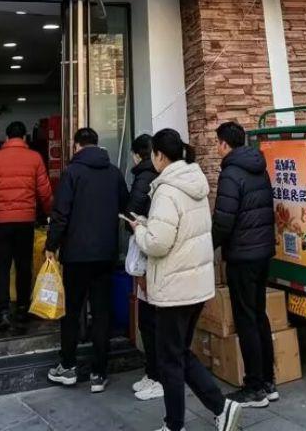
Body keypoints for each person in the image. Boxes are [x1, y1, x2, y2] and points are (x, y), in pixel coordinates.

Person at [128, 129, 242, 431]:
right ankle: (217, 410)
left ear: (159, 156)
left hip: (174, 288)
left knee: (170, 358)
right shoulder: (195, 183)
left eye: (153, 154)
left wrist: (139, 229)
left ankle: (183, 421)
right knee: (177, 353)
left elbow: (158, 243)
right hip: (195, 285)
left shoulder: (167, 190)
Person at [46, 127, 128, 393]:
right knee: (102, 313)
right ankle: (99, 373)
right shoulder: (114, 172)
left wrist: (51, 245)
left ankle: (68, 367)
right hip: (105, 254)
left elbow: (60, 213)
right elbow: (125, 207)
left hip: (76, 255)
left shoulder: (72, 172)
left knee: (71, 311)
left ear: (77, 145)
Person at [211, 121, 277, 408]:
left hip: (242, 256)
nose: (216, 148)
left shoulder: (231, 173)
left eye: (217, 143)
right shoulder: (259, 167)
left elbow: (224, 220)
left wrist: (209, 245)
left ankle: (254, 387)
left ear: (225, 144)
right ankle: (268, 381)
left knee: (246, 319)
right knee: (259, 315)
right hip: (262, 254)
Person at [0, 120, 52, 330]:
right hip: (25, 221)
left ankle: (3, 312)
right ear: (25, 137)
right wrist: (49, 213)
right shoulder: (35, 157)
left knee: (2, 266)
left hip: (1, 221)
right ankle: (21, 308)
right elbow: (44, 191)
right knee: (23, 265)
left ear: (7, 137)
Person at [126, 134, 163, 402]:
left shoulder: (144, 177)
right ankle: (153, 373)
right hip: (155, 254)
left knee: (150, 319)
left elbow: (133, 212)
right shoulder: (160, 176)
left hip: (150, 252)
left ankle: (157, 375)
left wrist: (132, 226)